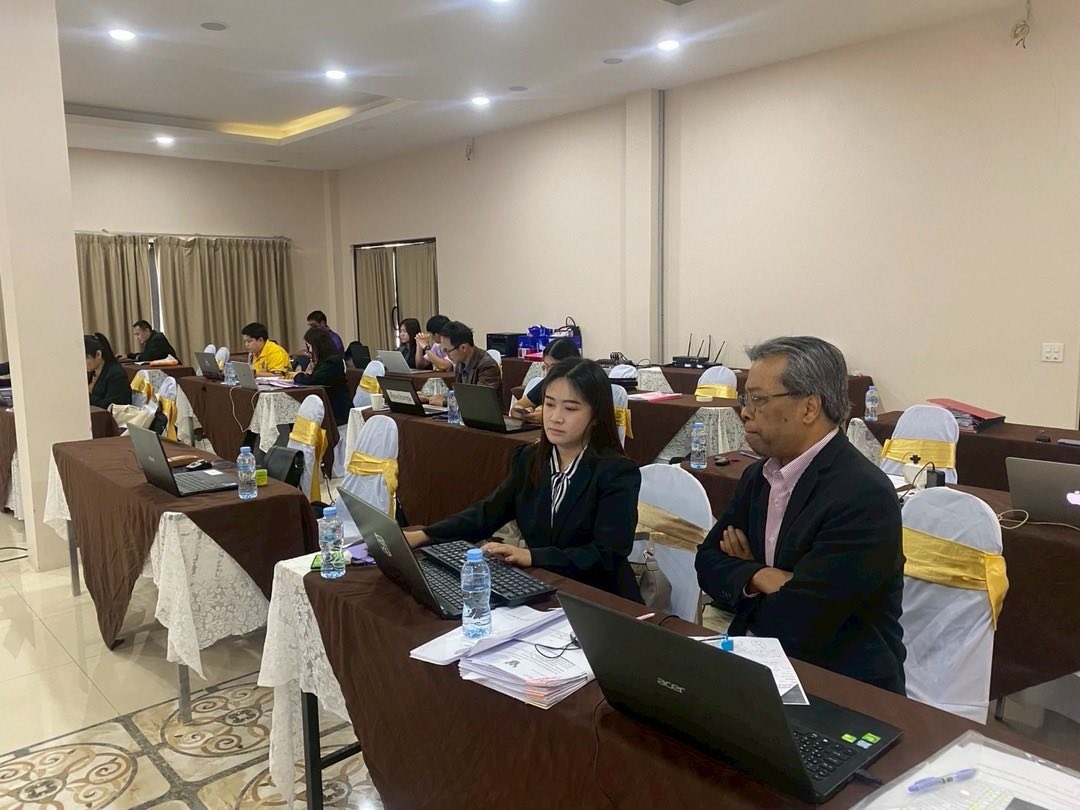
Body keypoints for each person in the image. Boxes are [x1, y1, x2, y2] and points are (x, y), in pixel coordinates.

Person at [694, 336, 906, 694]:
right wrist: (761, 575)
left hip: (839, 685)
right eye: (746, 399)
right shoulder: (758, 476)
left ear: (809, 408)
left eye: (758, 400)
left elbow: (802, 620)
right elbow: (707, 563)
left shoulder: (862, 494)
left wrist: (742, 574)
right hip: (757, 658)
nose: (745, 412)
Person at [406, 358, 642, 600]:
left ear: (596, 416)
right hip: (544, 586)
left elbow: (607, 554)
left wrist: (532, 556)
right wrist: (424, 535)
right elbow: (487, 513)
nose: (555, 417)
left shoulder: (617, 472)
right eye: (549, 404)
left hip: (601, 597)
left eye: (570, 409)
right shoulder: (530, 458)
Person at [423, 320, 500, 406]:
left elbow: (480, 399)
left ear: (463, 348)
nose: (447, 355)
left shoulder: (487, 364)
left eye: (447, 351)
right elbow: (460, 395)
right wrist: (429, 397)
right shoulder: (460, 363)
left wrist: (445, 402)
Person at [512, 337, 582, 421]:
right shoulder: (548, 382)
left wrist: (546, 416)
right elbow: (516, 408)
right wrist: (525, 414)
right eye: (546, 366)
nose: (548, 372)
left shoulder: (583, 385)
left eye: (554, 367)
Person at [293, 327, 350, 425]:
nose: (310, 350)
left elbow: (313, 381)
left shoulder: (332, 362)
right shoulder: (324, 361)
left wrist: (298, 376)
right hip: (328, 405)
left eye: (310, 346)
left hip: (336, 410)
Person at [86, 333, 131, 409]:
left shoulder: (116, 375)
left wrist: (88, 396)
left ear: (98, 354)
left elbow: (111, 406)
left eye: (86, 358)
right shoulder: (92, 372)